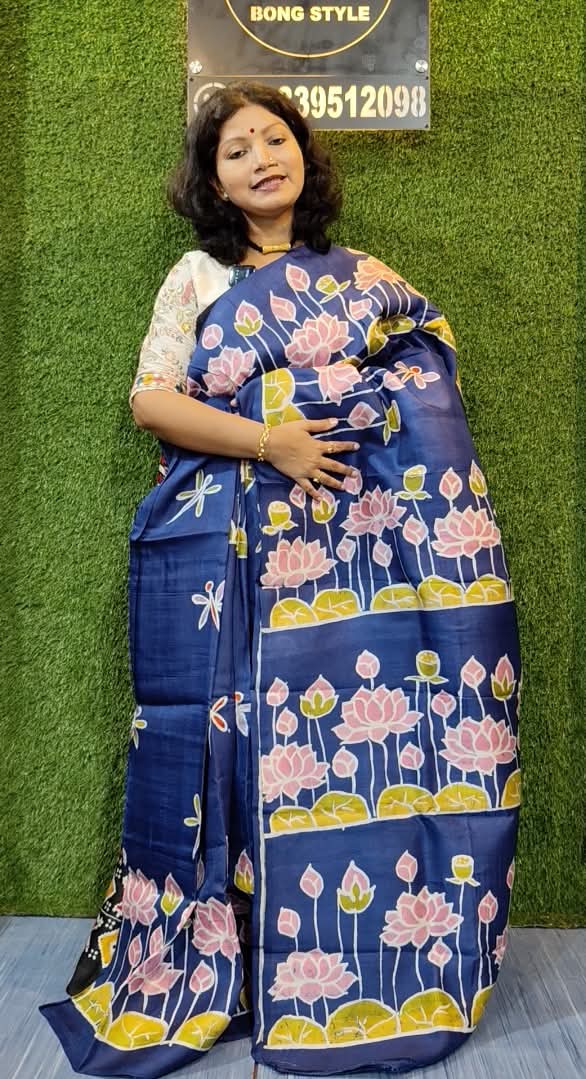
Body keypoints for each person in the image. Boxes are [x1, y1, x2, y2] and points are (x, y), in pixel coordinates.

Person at [40, 81, 521, 1077]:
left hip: (359, 561)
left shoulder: (364, 278)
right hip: (236, 556)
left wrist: (354, 409)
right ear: (213, 182)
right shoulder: (199, 278)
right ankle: (248, 963)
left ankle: (359, 966)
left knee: (345, 746)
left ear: (304, 154)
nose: (261, 157)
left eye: (275, 138)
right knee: (243, 748)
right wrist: (275, 439)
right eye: (236, 149)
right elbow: (151, 401)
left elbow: (425, 381)